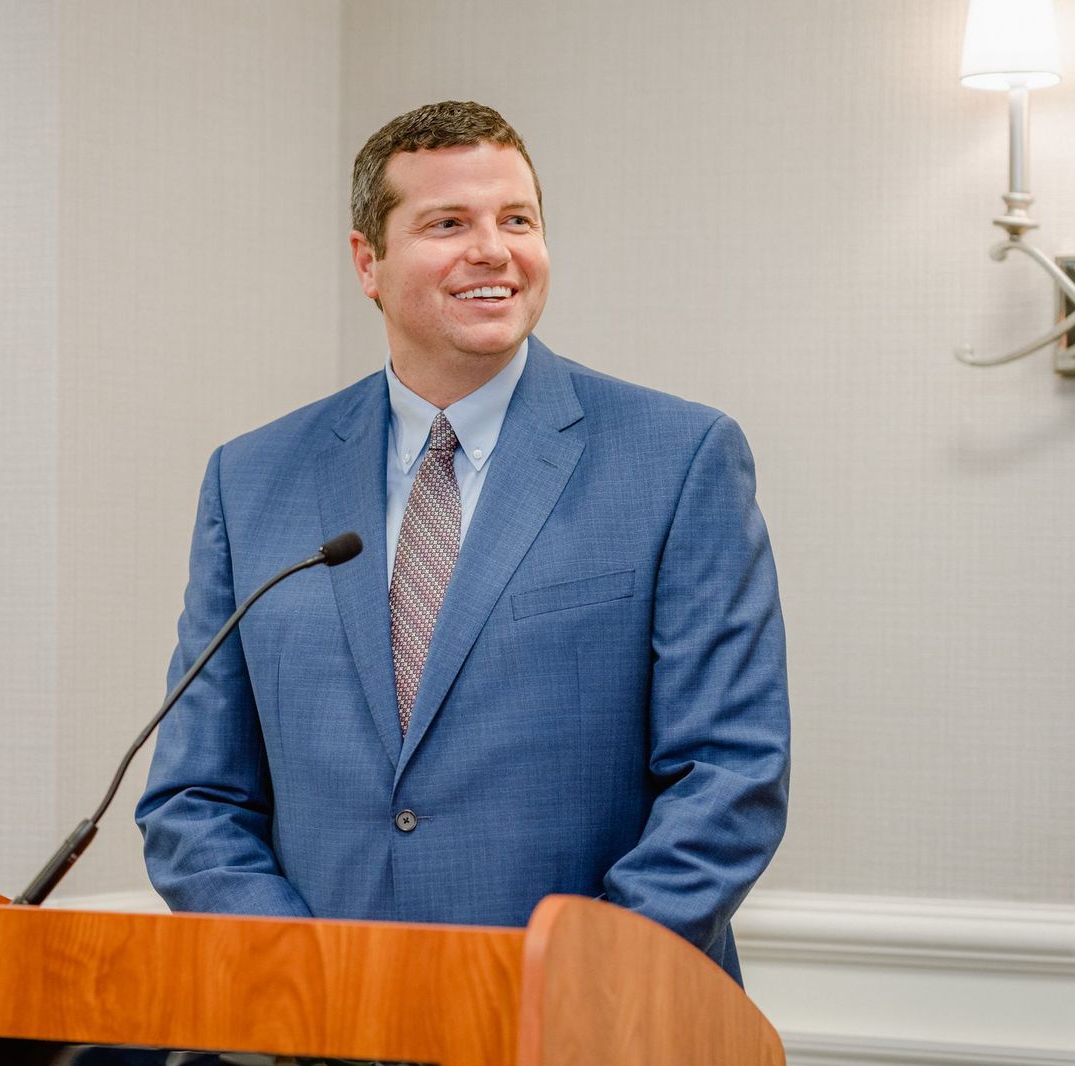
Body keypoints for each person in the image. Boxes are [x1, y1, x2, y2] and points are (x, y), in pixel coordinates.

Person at [136, 101, 789, 984]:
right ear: (368, 261)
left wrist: (573, 983)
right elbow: (196, 794)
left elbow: (729, 776)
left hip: (591, 1022)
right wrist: (302, 975)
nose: (494, 250)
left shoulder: (678, 459)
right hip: (318, 1027)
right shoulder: (251, 479)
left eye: (516, 220)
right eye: (449, 223)